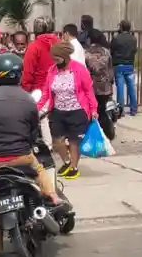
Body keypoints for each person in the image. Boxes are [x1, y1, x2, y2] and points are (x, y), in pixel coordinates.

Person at [0, 52, 59, 257]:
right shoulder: (27, 99)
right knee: (39, 170)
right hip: (22, 157)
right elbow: (33, 131)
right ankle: (53, 196)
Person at [38, 41, 97, 179]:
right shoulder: (52, 70)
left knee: (74, 142)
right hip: (58, 111)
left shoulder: (79, 69)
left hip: (77, 111)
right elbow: (46, 92)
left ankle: (74, 167)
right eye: (54, 59)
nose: (55, 61)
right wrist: (37, 107)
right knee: (57, 140)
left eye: (57, 59)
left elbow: (88, 90)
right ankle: (67, 161)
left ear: (65, 56)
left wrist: (93, 109)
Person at [84, 30, 116, 141]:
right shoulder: (106, 52)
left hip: (92, 88)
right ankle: (107, 133)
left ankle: (93, 135)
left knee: (92, 111)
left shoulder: (86, 53)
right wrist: (110, 82)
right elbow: (110, 70)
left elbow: (86, 72)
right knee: (102, 110)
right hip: (105, 87)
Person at [21, 17, 59, 93]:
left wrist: (27, 90)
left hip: (40, 92)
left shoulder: (34, 47)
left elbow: (27, 74)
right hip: (60, 91)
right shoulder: (61, 44)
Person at [109, 20, 138, 116]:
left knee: (120, 88)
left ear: (120, 27)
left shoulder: (116, 38)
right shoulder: (133, 38)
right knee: (131, 88)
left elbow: (111, 50)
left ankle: (121, 111)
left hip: (119, 65)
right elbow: (134, 50)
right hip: (130, 64)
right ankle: (134, 109)